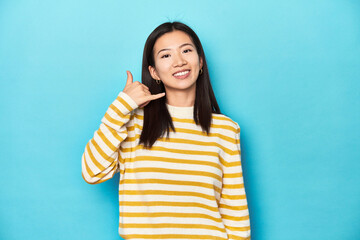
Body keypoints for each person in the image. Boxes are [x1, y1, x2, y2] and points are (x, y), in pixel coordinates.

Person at [81, 21, 251, 240]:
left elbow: (234, 210)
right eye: (166, 56)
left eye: (187, 51)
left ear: (200, 63)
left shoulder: (226, 130)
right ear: (154, 72)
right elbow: (92, 172)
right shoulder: (131, 123)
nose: (179, 62)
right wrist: (121, 107)